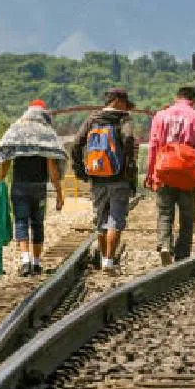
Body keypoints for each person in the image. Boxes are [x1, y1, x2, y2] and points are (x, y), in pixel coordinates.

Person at [0, 100, 67, 277]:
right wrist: (59, 192)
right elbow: (52, 168)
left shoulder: (17, 130)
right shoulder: (47, 133)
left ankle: (25, 261)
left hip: (19, 187)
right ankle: (37, 263)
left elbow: (6, 158)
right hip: (39, 187)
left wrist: (0, 182)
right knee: (37, 224)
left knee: (21, 222)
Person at [70, 88, 137, 274]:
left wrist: (81, 170)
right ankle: (108, 261)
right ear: (118, 101)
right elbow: (129, 139)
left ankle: (102, 259)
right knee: (116, 219)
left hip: (97, 177)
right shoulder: (124, 119)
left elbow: (76, 144)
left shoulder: (92, 119)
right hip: (119, 178)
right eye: (125, 102)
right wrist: (130, 168)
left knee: (100, 221)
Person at [145, 85, 195, 265]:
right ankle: (182, 257)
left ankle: (165, 245)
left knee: (165, 212)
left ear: (177, 98)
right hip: (187, 173)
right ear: (194, 101)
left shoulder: (160, 116)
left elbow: (153, 147)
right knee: (187, 216)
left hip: (164, 170)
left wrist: (150, 173)